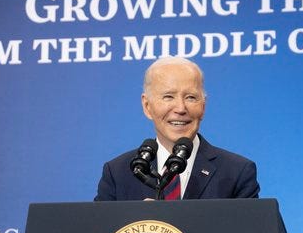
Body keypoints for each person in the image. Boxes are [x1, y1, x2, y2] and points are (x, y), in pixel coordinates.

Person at [95, 56, 259, 201]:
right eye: (168, 97)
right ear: (147, 106)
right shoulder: (118, 173)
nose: (180, 108)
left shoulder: (237, 172)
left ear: (203, 105)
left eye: (191, 97)